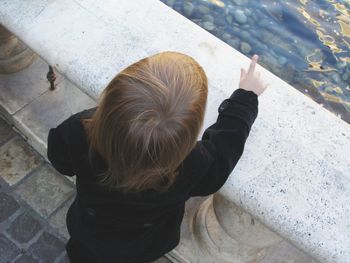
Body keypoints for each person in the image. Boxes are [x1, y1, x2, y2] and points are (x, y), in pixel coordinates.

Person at [47, 51, 267, 263]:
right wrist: (245, 99)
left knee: (83, 254)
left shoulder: (81, 131)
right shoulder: (193, 164)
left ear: (110, 102)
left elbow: (59, 158)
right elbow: (224, 150)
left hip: (87, 230)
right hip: (143, 245)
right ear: (191, 133)